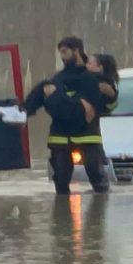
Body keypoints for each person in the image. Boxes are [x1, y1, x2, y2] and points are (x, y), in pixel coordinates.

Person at [24, 37, 109, 194]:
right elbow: (52, 106)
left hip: (88, 137)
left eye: (65, 52)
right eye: (60, 53)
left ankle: (98, 217)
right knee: (61, 182)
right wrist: (22, 113)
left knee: (97, 178)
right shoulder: (57, 79)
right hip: (60, 138)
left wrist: (56, 97)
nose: (62, 56)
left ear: (76, 51)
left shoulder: (91, 79)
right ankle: (62, 218)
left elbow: (82, 110)